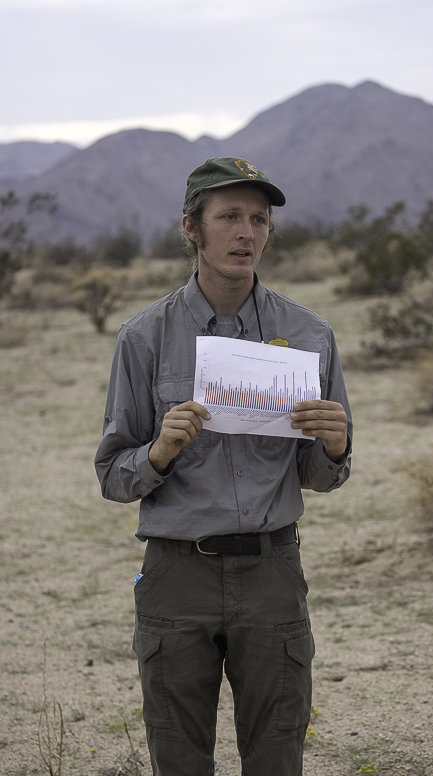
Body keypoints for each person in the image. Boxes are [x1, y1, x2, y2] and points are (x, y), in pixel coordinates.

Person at [94, 157, 353, 776]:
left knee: (277, 754)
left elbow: (320, 476)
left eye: (259, 219)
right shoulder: (144, 338)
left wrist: (336, 447)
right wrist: (158, 452)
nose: (246, 233)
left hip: (272, 573)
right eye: (228, 216)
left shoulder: (309, 335)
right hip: (176, 576)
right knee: (179, 757)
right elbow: (112, 475)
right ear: (192, 227)